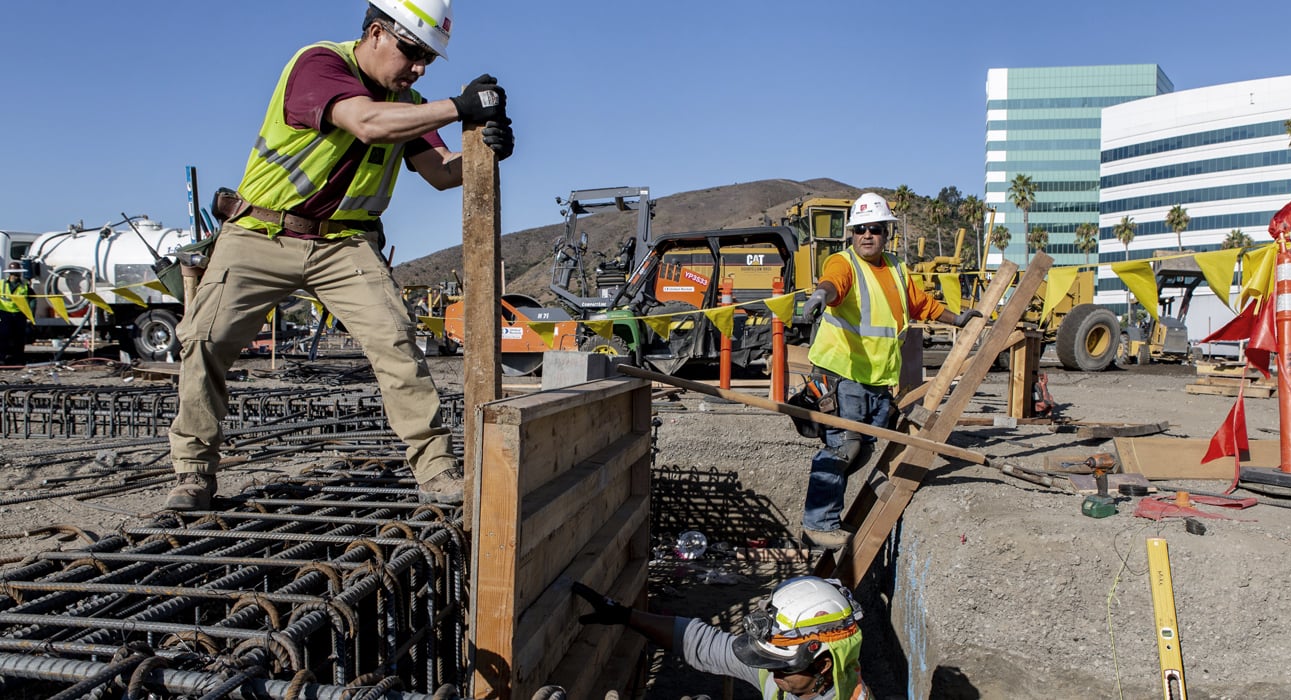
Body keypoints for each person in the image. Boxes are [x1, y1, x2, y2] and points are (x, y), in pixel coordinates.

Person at [165, 0, 513, 510]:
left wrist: (485, 150)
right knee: (203, 340)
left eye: (428, 59)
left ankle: (437, 470)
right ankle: (193, 475)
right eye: (412, 52)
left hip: (344, 244)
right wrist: (461, 106)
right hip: (262, 232)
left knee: (396, 340)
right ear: (376, 33)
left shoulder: (408, 105)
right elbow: (366, 122)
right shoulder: (319, 64)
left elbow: (441, 172)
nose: (418, 68)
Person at [798, 193, 981, 549]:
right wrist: (821, 294)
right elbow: (834, 282)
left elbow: (920, 303)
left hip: (876, 380)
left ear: (886, 233)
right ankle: (817, 525)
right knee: (843, 448)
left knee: (862, 450)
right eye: (860, 229)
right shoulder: (844, 263)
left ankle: (828, 510)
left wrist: (956, 319)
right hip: (841, 374)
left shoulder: (896, 268)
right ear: (852, 233)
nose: (867, 235)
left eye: (875, 229)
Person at [572, 575, 870, 699]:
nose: (771, 672)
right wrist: (624, 615)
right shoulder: (789, 680)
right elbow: (704, 644)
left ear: (823, 664)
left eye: (781, 666)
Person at [1, 263, 32, 366]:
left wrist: (30, 314)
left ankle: (18, 359)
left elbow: (32, 299)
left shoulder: (24, 285)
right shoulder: (2, 284)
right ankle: (2, 357)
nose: (17, 275)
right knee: (3, 336)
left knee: (19, 338)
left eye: (18, 273)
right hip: (5, 314)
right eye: (14, 273)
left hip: (19, 314)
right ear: (10, 274)